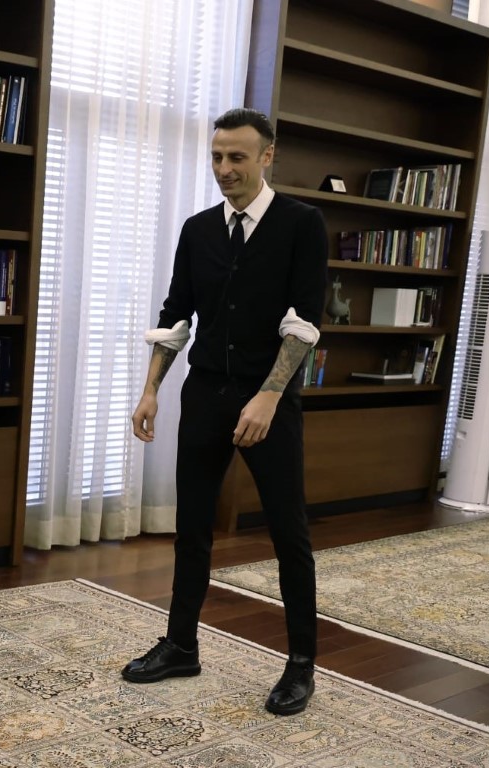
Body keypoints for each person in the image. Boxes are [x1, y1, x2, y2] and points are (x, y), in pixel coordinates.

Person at [124, 108, 327, 716]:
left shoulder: (302, 224)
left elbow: (305, 322)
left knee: (289, 533)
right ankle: (180, 646)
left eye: (237, 157)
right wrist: (151, 389)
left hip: (271, 400)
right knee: (192, 527)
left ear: (267, 156)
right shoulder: (197, 230)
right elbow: (175, 316)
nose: (224, 168)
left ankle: (300, 665)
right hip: (206, 395)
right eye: (217, 156)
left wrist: (269, 396)